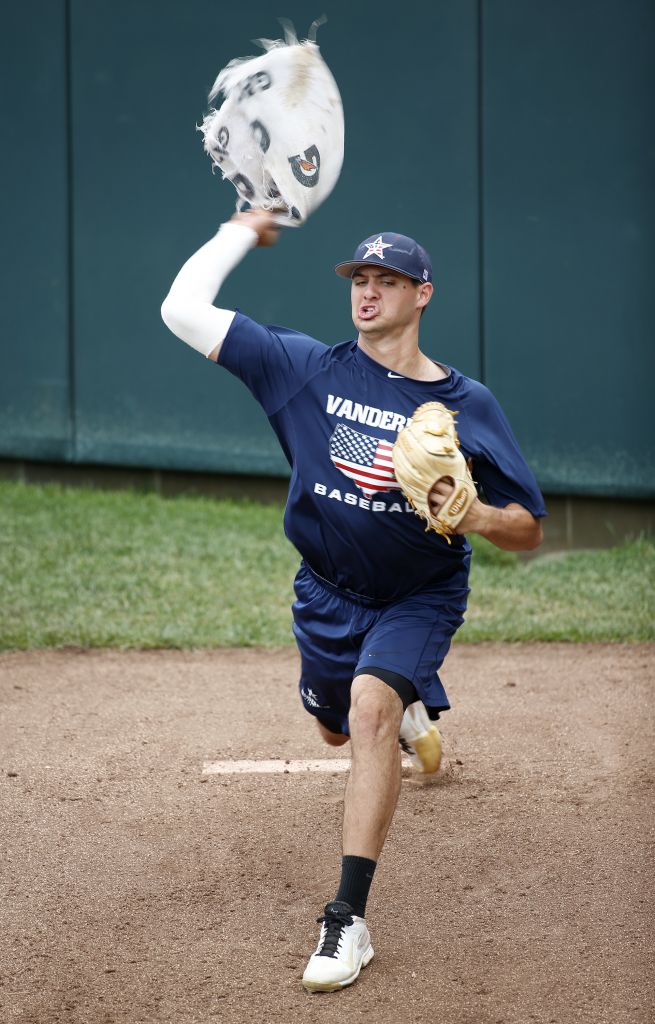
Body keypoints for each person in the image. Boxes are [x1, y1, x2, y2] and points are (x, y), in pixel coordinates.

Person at [161, 210, 546, 993]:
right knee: (335, 729)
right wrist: (241, 231)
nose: (368, 292)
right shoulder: (304, 367)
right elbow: (180, 309)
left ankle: (347, 919)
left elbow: (528, 529)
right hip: (325, 595)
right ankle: (409, 711)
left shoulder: (466, 404)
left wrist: (472, 515)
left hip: (420, 592)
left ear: (422, 294)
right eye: (359, 280)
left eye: (388, 281)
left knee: (367, 708)